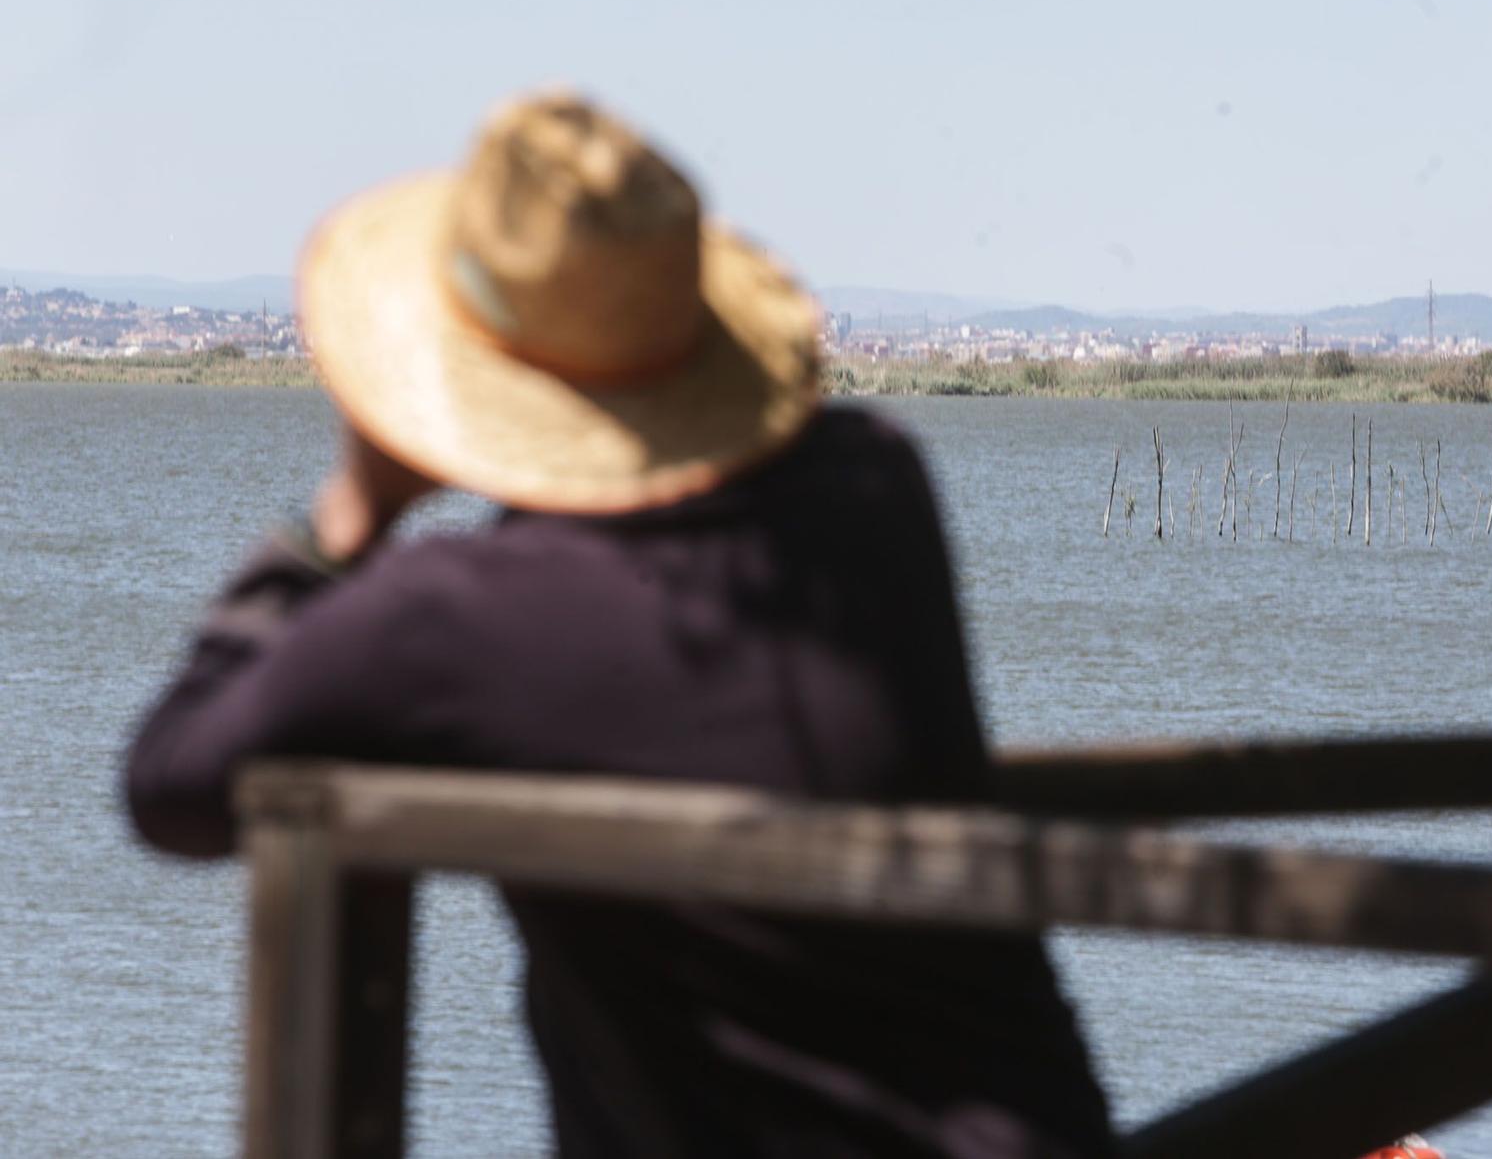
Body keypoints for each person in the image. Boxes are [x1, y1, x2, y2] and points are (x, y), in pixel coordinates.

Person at [124, 92, 1116, 1158]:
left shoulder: (454, 614)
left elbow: (174, 781)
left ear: (468, 373)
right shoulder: (876, 479)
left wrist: (356, 509)